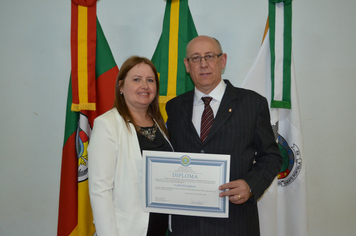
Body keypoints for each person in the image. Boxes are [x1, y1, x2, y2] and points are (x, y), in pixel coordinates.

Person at [166, 36, 283, 236]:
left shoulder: (252, 104)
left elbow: (272, 156)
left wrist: (251, 185)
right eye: (195, 58)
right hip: (186, 225)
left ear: (223, 61)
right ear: (187, 65)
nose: (203, 64)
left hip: (235, 222)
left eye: (209, 56)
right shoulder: (174, 107)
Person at [88, 56, 172, 236]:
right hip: (126, 230)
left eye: (150, 80)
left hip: (159, 228)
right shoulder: (108, 124)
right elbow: (100, 190)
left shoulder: (160, 123)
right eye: (136, 79)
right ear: (121, 86)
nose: (145, 86)